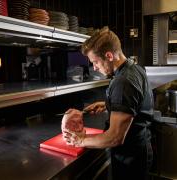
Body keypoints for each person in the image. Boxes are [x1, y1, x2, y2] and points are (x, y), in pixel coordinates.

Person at [63, 26, 154, 180]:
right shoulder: (134, 68)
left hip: (130, 159)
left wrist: (80, 141)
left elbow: (115, 137)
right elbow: (134, 101)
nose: (95, 67)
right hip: (140, 151)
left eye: (95, 62)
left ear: (109, 55)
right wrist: (108, 103)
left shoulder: (123, 82)